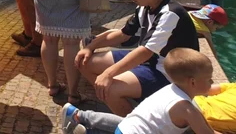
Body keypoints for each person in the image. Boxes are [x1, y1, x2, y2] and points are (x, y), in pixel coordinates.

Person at [76, 0, 199, 116]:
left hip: (170, 73)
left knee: (111, 88)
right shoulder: (144, 8)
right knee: (85, 63)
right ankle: (125, 106)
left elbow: (145, 52)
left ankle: (136, 125)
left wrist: (108, 74)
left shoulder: (170, 14)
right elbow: (123, 34)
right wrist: (90, 47)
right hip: (149, 62)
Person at [61, 48, 217, 134]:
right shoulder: (187, 109)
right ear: (193, 82)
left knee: (130, 124)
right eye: (209, 79)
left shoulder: (170, 89)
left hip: (127, 126)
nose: (211, 82)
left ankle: (80, 117)